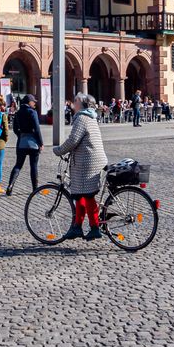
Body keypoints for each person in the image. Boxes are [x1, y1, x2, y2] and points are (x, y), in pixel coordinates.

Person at [53, 93, 109, 241]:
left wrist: (58, 150)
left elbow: (73, 141)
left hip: (88, 163)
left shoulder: (82, 118)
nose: (73, 103)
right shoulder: (90, 117)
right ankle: (77, 227)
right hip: (91, 161)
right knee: (80, 194)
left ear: (82, 104)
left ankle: (95, 227)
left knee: (88, 195)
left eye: (76, 101)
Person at [6, 94, 42, 196]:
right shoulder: (32, 112)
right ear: (29, 102)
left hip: (21, 142)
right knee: (33, 166)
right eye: (33, 101)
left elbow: (15, 128)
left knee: (18, 165)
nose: (35, 103)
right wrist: (41, 143)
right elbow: (37, 129)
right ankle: (35, 189)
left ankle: (10, 185)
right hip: (33, 143)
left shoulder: (18, 113)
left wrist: (21, 135)